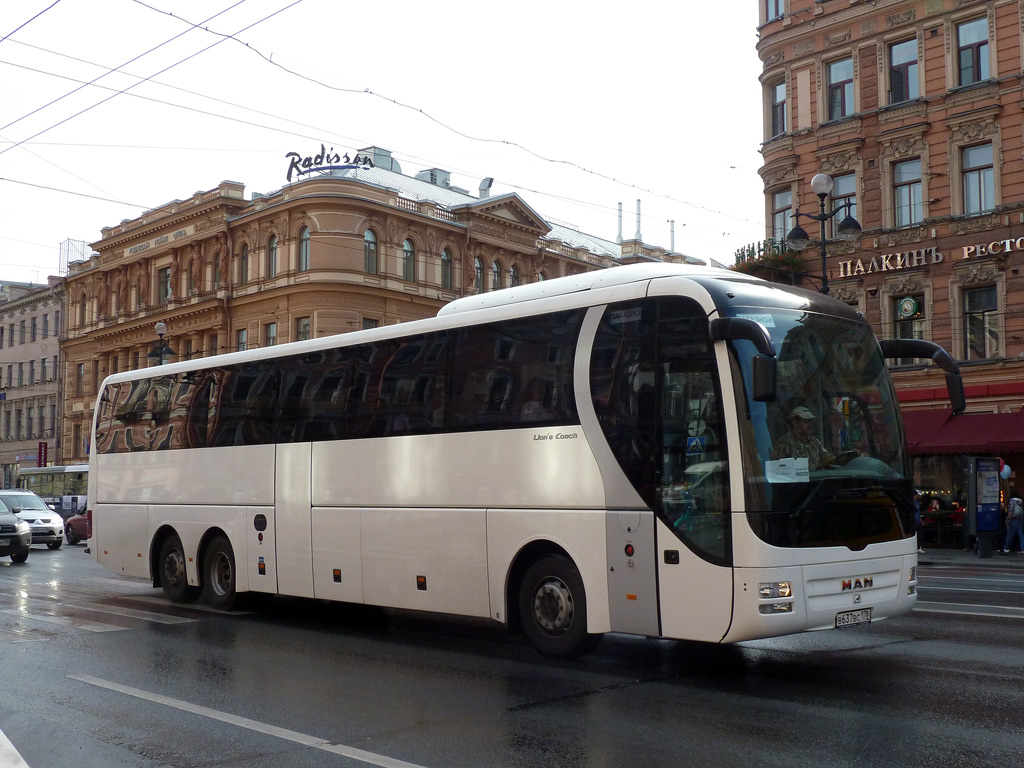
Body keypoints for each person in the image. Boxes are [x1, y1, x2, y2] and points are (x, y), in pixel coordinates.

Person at [770, 406, 836, 469]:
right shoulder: (784, 443)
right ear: (795, 422)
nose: (810, 424)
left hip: (816, 479)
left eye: (811, 421)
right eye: (806, 421)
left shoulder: (814, 441)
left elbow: (828, 458)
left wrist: (839, 460)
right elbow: (777, 469)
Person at [1003, 487, 1023, 554]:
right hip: (1020, 518)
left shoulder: (1012, 501)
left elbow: (1011, 510)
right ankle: (1023, 548)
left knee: (1010, 534)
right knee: (1021, 534)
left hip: (1014, 519)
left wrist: (1007, 518)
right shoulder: (1020, 500)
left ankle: (1006, 548)